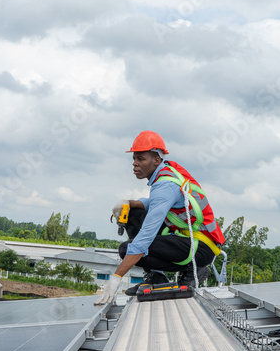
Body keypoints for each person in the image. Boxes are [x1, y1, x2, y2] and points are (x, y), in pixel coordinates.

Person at [95, 131, 226, 305]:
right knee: (133, 212)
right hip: (189, 239)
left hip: (201, 248)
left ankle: (193, 270)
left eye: (141, 159)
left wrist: (116, 277)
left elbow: (146, 235)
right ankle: (156, 275)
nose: (135, 164)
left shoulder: (165, 185)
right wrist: (131, 202)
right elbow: (158, 203)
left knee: (127, 249)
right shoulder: (167, 173)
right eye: (134, 159)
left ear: (156, 160)